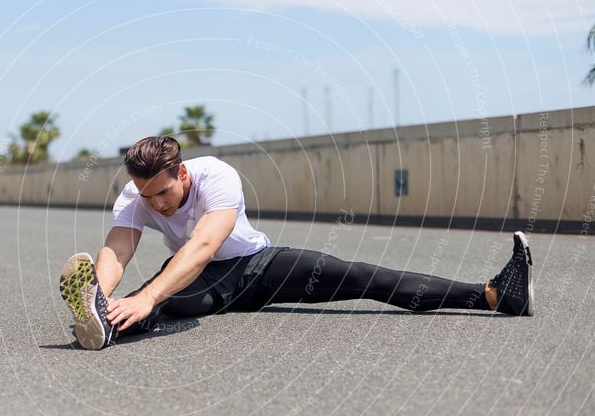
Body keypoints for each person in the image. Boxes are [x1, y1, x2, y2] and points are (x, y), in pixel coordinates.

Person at [60, 136, 534, 350]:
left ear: (181, 172)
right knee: (159, 305)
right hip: (205, 281)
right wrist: (98, 294)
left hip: (259, 265)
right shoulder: (136, 195)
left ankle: (495, 294)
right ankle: (102, 322)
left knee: (363, 277)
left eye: (164, 192)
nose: (157, 204)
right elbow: (117, 251)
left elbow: (204, 246)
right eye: (148, 196)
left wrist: (146, 294)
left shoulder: (216, 177)